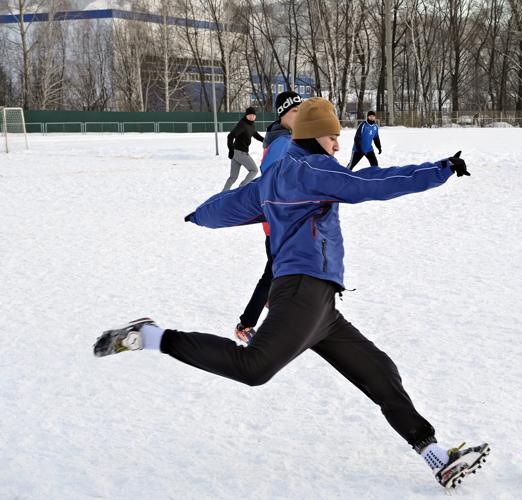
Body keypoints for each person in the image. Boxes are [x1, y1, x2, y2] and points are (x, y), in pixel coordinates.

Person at [93, 97, 488, 489]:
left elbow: (230, 206)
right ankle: (151, 336)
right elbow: (370, 183)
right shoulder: (312, 172)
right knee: (254, 368)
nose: (337, 145)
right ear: (316, 136)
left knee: (379, 372)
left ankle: (436, 457)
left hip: (319, 305)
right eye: (333, 137)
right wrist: (440, 170)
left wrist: (201, 214)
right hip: (303, 290)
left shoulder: (277, 176)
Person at [235, 90, 303, 343]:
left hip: (283, 222)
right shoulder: (283, 142)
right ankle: (245, 325)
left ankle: (276, 304)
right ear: (283, 114)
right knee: (272, 275)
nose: (300, 115)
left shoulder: (288, 138)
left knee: (280, 272)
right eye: (295, 111)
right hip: (278, 223)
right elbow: (272, 182)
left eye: (302, 111)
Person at [223, 107, 264, 191]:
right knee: (254, 170)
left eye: (253, 115)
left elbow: (256, 135)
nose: (252, 117)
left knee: (233, 177)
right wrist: (230, 149)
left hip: (237, 153)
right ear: (246, 115)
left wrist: (266, 140)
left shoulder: (251, 125)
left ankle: (223, 193)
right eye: (250, 115)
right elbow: (230, 136)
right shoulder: (242, 124)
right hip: (240, 153)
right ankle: (241, 188)